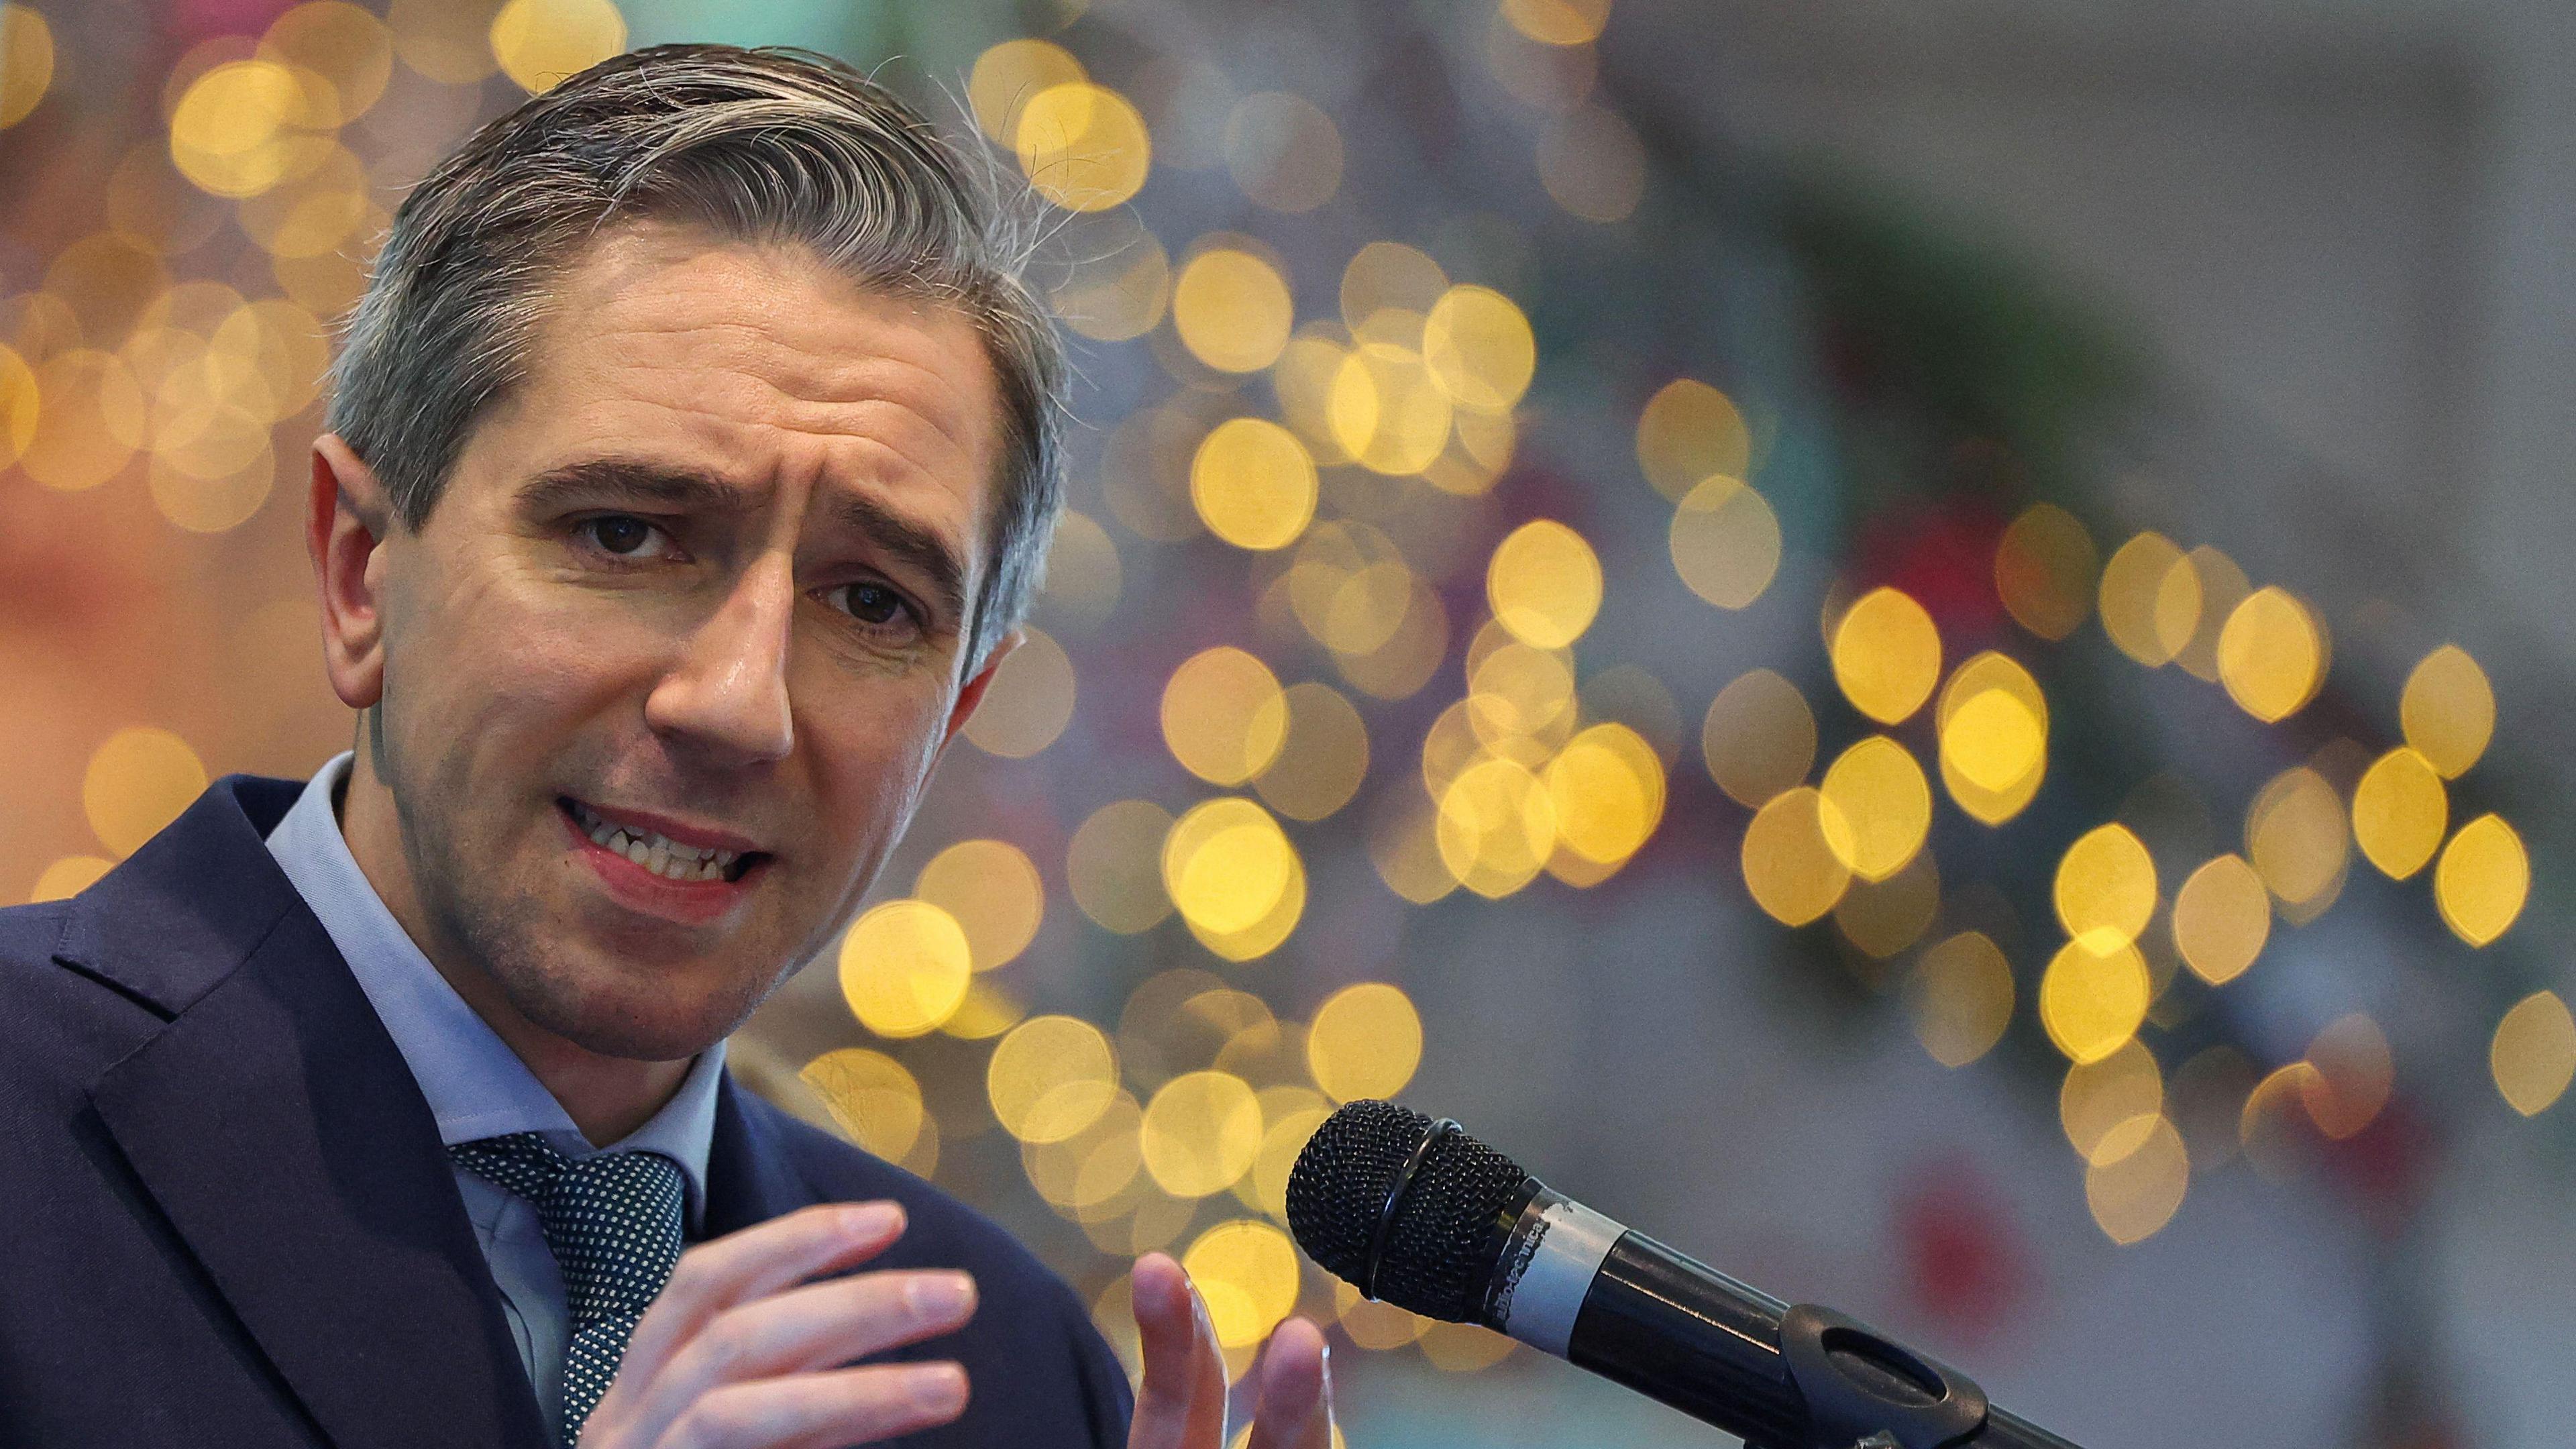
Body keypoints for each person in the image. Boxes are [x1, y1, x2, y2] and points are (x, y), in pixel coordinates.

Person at [0, 44, 1332, 1449]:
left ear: (955, 709)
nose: (738, 702)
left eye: (873, 600)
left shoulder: (1001, 1370)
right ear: (358, 572)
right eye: (624, 534)